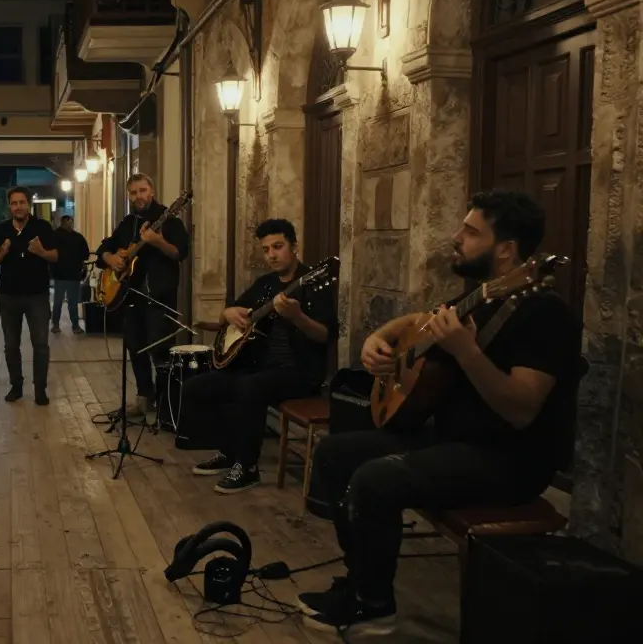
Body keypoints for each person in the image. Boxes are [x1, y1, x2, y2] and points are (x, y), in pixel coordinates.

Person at [297, 190, 580, 634]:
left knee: (376, 479)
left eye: (470, 232)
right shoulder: (480, 297)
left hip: (508, 459)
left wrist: (466, 352)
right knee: (335, 452)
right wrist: (379, 340)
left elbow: (521, 409)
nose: (456, 237)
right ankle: (360, 580)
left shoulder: (545, 314)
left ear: (506, 251)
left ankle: (373, 607)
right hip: (453, 440)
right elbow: (418, 322)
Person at [185, 218, 336, 493]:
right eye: (266, 249)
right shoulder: (265, 284)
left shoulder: (313, 283)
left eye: (278, 247)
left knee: (249, 387)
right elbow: (232, 311)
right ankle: (229, 452)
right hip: (261, 366)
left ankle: (248, 467)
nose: (272, 255)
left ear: (294, 247)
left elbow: (324, 335)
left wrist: (297, 316)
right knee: (200, 385)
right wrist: (227, 313)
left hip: (300, 372)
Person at [96, 174, 190, 414]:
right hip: (130, 297)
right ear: (129, 195)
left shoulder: (169, 220)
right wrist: (112, 258)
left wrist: (157, 241)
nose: (138, 196)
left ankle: (164, 406)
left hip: (159, 297)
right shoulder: (128, 223)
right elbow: (103, 250)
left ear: (152, 191)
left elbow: (180, 253)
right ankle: (143, 398)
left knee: (159, 350)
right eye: (133, 192)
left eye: (142, 190)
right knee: (135, 347)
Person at [0, 186, 58, 405]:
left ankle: (40, 389)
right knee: (11, 344)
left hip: (37, 295)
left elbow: (55, 256)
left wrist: (41, 252)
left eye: (22, 202)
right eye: (14, 203)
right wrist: (4, 250)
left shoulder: (42, 227)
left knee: (40, 343)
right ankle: (16, 386)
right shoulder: (0, 230)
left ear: (29, 204)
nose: (18, 207)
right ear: (10, 206)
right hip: (9, 295)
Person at [51, 215, 90, 334]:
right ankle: (73, 326)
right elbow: (85, 254)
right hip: (70, 274)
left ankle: (59, 325)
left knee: (62, 301)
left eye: (71, 222)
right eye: (69, 221)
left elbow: (85, 254)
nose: (70, 224)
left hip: (65, 275)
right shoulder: (76, 237)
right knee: (68, 302)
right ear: (63, 222)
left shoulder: (55, 236)